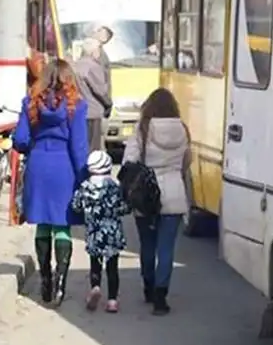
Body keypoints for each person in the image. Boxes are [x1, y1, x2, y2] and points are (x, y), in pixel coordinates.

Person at [12, 59, 89, 306]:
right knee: (62, 224)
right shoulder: (76, 106)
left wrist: (31, 146)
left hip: (38, 165)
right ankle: (60, 284)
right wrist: (83, 176)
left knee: (43, 223)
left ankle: (44, 279)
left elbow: (21, 140)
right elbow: (78, 146)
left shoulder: (30, 103)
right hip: (64, 167)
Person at [122, 88, 190, 315]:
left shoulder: (142, 129)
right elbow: (186, 163)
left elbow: (128, 162)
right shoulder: (183, 129)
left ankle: (148, 287)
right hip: (174, 194)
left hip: (146, 197)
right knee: (167, 248)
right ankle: (162, 296)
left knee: (148, 245)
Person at [71, 150, 130, 313]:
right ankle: (112, 301)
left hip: (94, 232)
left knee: (95, 264)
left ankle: (95, 287)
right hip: (112, 231)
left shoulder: (85, 186)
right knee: (112, 267)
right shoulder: (115, 186)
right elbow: (124, 208)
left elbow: (76, 206)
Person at [73, 37, 112, 151]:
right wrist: (109, 104)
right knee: (94, 149)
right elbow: (101, 91)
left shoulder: (76, 65)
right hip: (93, 113)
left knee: (82, 147)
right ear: (94, 51)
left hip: (79, 111)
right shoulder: (93, 67)